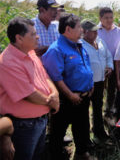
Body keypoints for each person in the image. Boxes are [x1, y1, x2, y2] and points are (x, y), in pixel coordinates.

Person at [0, 17, 59, 160]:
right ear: (19, 38)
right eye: (32, 34)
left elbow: (44, 76)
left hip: (39, 120)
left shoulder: (31, 53)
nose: (37, 37)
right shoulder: (7, 62)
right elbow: (28, 94)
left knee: (37, 156)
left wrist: (55, 94)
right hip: (23, 126)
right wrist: (50, 101)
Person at [42, 13, 94, 160]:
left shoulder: (79, 45)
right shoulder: (56, 50)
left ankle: (81, 153)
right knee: (58, 132)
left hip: (82, 98)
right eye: (79, 27)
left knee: (82, 128)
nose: (82, 30)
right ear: (68, 30)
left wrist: (90, 85)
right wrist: (70, 95)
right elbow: (55, 78)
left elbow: (85, 66)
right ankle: (56, 155)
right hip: (66, 100)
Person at [81, 19, 113, 143]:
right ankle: (85, 138)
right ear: (84, 32)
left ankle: (99, 131)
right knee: (84, 111)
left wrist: (109, 66)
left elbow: (108, 56)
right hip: (87, 84)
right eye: (93, 32)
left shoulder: (100, 42)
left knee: (98, 107)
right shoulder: (80, 45)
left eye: (96, 31)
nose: (95, 34)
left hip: (100, 82)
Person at [97, 7, 120, 124]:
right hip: (99, 64)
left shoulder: (119, 31)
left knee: (112, 91)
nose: (109, 20)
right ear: (100, 18)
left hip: (115, 63)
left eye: (111, 17)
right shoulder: (96, 30)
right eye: (106, 18)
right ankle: (97, 117)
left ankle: (108, 114)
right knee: (98, 92)